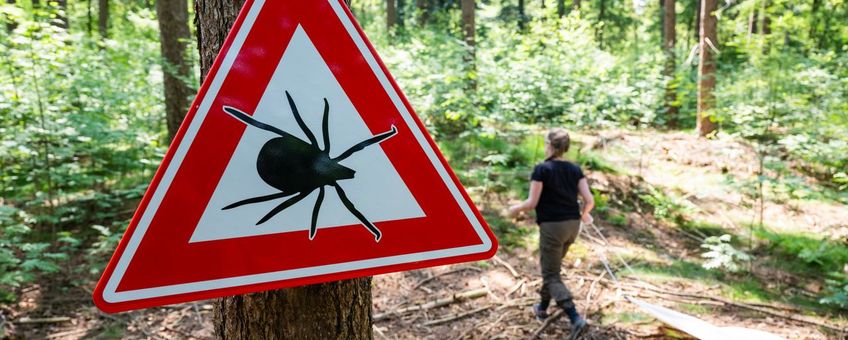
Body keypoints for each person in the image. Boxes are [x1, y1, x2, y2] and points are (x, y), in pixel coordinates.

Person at [507, 128, 594, 336]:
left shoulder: (542, 169)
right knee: (551, 268)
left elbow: (532, 202)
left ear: (549, 145)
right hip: (573, 226)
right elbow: (589, 201)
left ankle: (575, 318)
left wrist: (514, 209)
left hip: (552, 226)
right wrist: (584, 215)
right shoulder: (575, 169)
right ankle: (543, 307)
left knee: (551, 274)